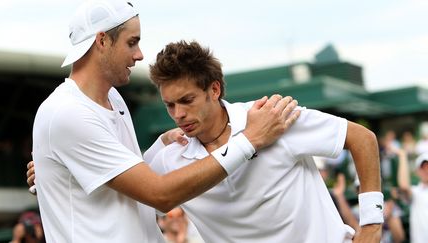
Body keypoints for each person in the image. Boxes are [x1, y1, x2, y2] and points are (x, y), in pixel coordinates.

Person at [30, 0, 299, 242]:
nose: (139, 54)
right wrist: (250, 139)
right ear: (102, 41)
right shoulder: (66, 113)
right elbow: (159, 194)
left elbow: (130, 181)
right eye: (131, 42)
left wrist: (161, 144)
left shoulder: (113, 99)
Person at [138, 40, 384, 243]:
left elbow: (362, 138)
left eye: (187, 100)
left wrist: (372, 224)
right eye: (170, 105)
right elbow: (135, 198)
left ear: (214, 90)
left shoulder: (273, 116)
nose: (178, 114)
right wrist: (161, 142)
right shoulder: (171, 159)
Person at [397, 152, 428, 243]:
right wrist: (402, 156)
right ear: (418, 171)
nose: (426, 170)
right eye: (423, 167)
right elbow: (404, 185)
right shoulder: (416, 192)